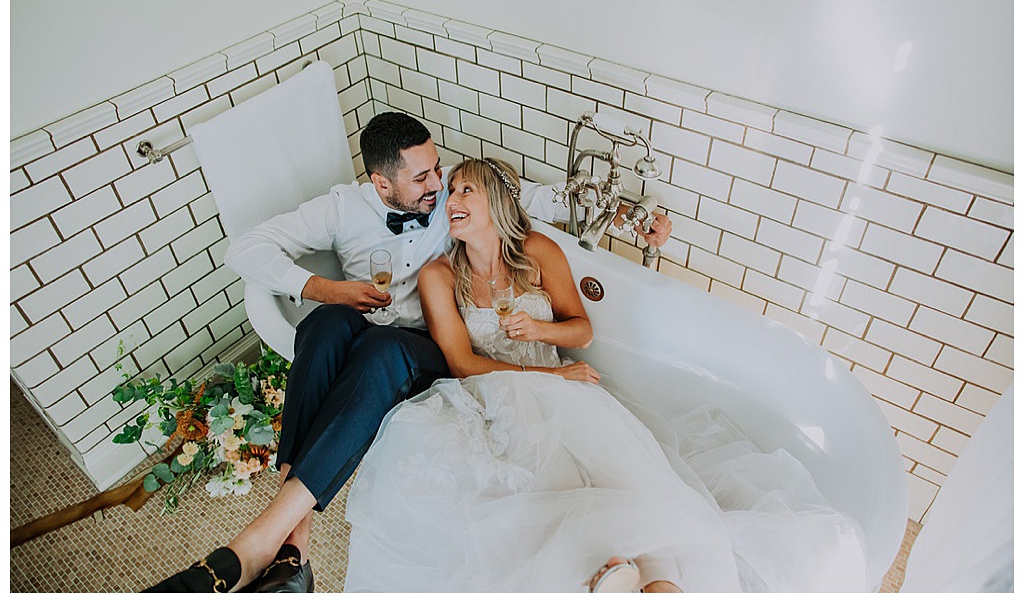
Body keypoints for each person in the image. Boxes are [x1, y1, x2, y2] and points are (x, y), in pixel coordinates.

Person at [142, 112, 672, 593]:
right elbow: (245, 249)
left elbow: (534, 200)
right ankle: (291, 545)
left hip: (422, 347)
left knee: (382, 350)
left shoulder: (454, 197)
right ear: (381, 183)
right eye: (423, 178)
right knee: (323, 325)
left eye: (438, 169)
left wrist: (632, 219)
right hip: (368, 329)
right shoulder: (343, 207)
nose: (438, 186)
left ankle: (264, 541)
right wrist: (330, 290)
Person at [342, 158, 870, 592]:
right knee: (559, 488)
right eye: (450, 189)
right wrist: (550, 378)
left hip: (561, 386)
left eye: (466, 189)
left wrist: (541, 332)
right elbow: (462, 364)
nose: (451, 198)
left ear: (496, 201)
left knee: (627, 480)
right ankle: (611, 569)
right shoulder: (439, 274)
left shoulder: (538, 251)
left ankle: (660, 582)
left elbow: (581, 331)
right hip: (496, 396)